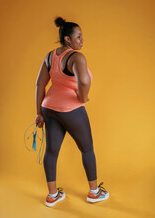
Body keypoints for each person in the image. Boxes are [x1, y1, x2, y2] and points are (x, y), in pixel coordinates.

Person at [35, 17, 109, 207]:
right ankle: (94, 193)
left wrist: (39, 113)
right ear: (68, 39)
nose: (82, 40)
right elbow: (83, 81)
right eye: (79, 36)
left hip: (48, 107)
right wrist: (83, 97)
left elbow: (39, 84)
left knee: (51, 152)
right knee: (87, 149)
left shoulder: (50, 56)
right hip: (70, 109)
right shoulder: (76, 57)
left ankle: (52, 196)